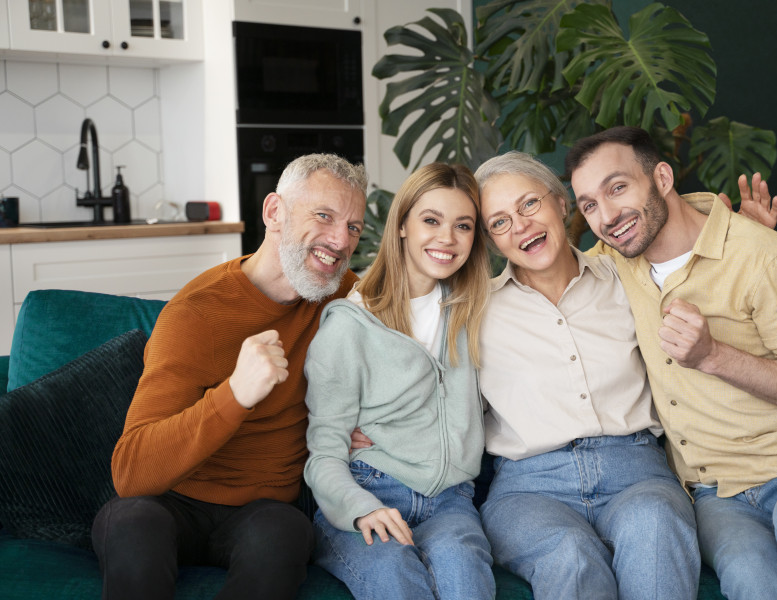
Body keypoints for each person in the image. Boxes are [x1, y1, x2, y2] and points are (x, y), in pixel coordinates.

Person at [566, 125, 777, 600]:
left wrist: (713, 356)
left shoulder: (765, 257)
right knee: (749, 574)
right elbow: (546, 271)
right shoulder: (612, 261)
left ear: (663, 177)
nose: (607, 215)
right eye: (589, 204)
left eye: (618, 187)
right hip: (715, 494)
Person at [91, 153, 368, 600]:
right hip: (168, 502)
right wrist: (236, 394)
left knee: (284, 535)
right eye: (324, 216)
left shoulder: (346, 299)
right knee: (131, 523)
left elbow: (413, 349)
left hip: (263, 512)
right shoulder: (195, 313)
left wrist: (369, 420)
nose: (339, 240)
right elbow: (131, 473)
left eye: (353, 226)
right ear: (275, 212)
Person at [471, 152, 699, 600]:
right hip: (529, 488)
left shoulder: (625, 275)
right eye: (499, 222)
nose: (519, 226)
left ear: (561, 203)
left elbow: (687, 245)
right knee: (570, 554)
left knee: (655, 526)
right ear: (492, 241)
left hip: (636, 472)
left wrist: (746, 237)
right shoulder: (474, 311)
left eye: (529, 205)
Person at [303, 163, 495, 599]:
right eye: (431, 220)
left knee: (466, 576)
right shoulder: (350, 325)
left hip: (451, 500)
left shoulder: (477, 310)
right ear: (403, 225)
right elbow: (323, 453)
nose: (447, 238)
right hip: (370, 488)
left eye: (462, 225)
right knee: (395, 576)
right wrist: (360, 508)